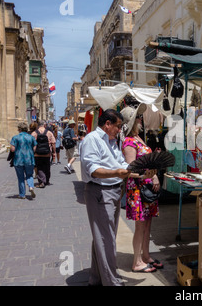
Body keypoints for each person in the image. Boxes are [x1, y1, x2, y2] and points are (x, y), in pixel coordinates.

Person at [80, 109, 131, 286]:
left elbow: (121, 164)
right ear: (107, 124)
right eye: (118, 126)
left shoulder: (112, 141)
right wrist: (117, 172)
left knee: (103, 237)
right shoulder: (92, 140)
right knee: (106, 239)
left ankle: (96, 278)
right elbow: (93, 170)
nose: (119, 130)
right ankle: (112, 282)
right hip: (100, 192)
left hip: (113, 191)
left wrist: (139, 171)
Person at [121, 105, 162, 273]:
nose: (141, 119)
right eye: (138, 117)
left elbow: (146, 161)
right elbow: (132, 169)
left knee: (147, 223)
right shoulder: (129, 141)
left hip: (147, 189)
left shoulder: (138, 138)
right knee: (140, 225)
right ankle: (136, 262)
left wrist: (154, 174)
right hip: (138, 189)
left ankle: (145, 255)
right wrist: (150, 175)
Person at [10, 122, 37, 199]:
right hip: (29, 159)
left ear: (19, 129)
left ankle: (22, 194)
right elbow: (35, 147)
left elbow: (12, 149)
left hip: (18, 160)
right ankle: (31, 186)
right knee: (29, 175)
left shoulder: (15, 138)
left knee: (20, 177)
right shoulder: (31, 137)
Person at [31, 121, 56, 188]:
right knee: (47, 167)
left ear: (38, 126)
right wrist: (54, 152)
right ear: (44, 125)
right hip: (47, 153)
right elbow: (53, 143)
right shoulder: (49, 133)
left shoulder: (34, 133)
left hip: (37, 154)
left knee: (39, 168)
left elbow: (31, 144)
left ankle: (42, 181)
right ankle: (47, 181)